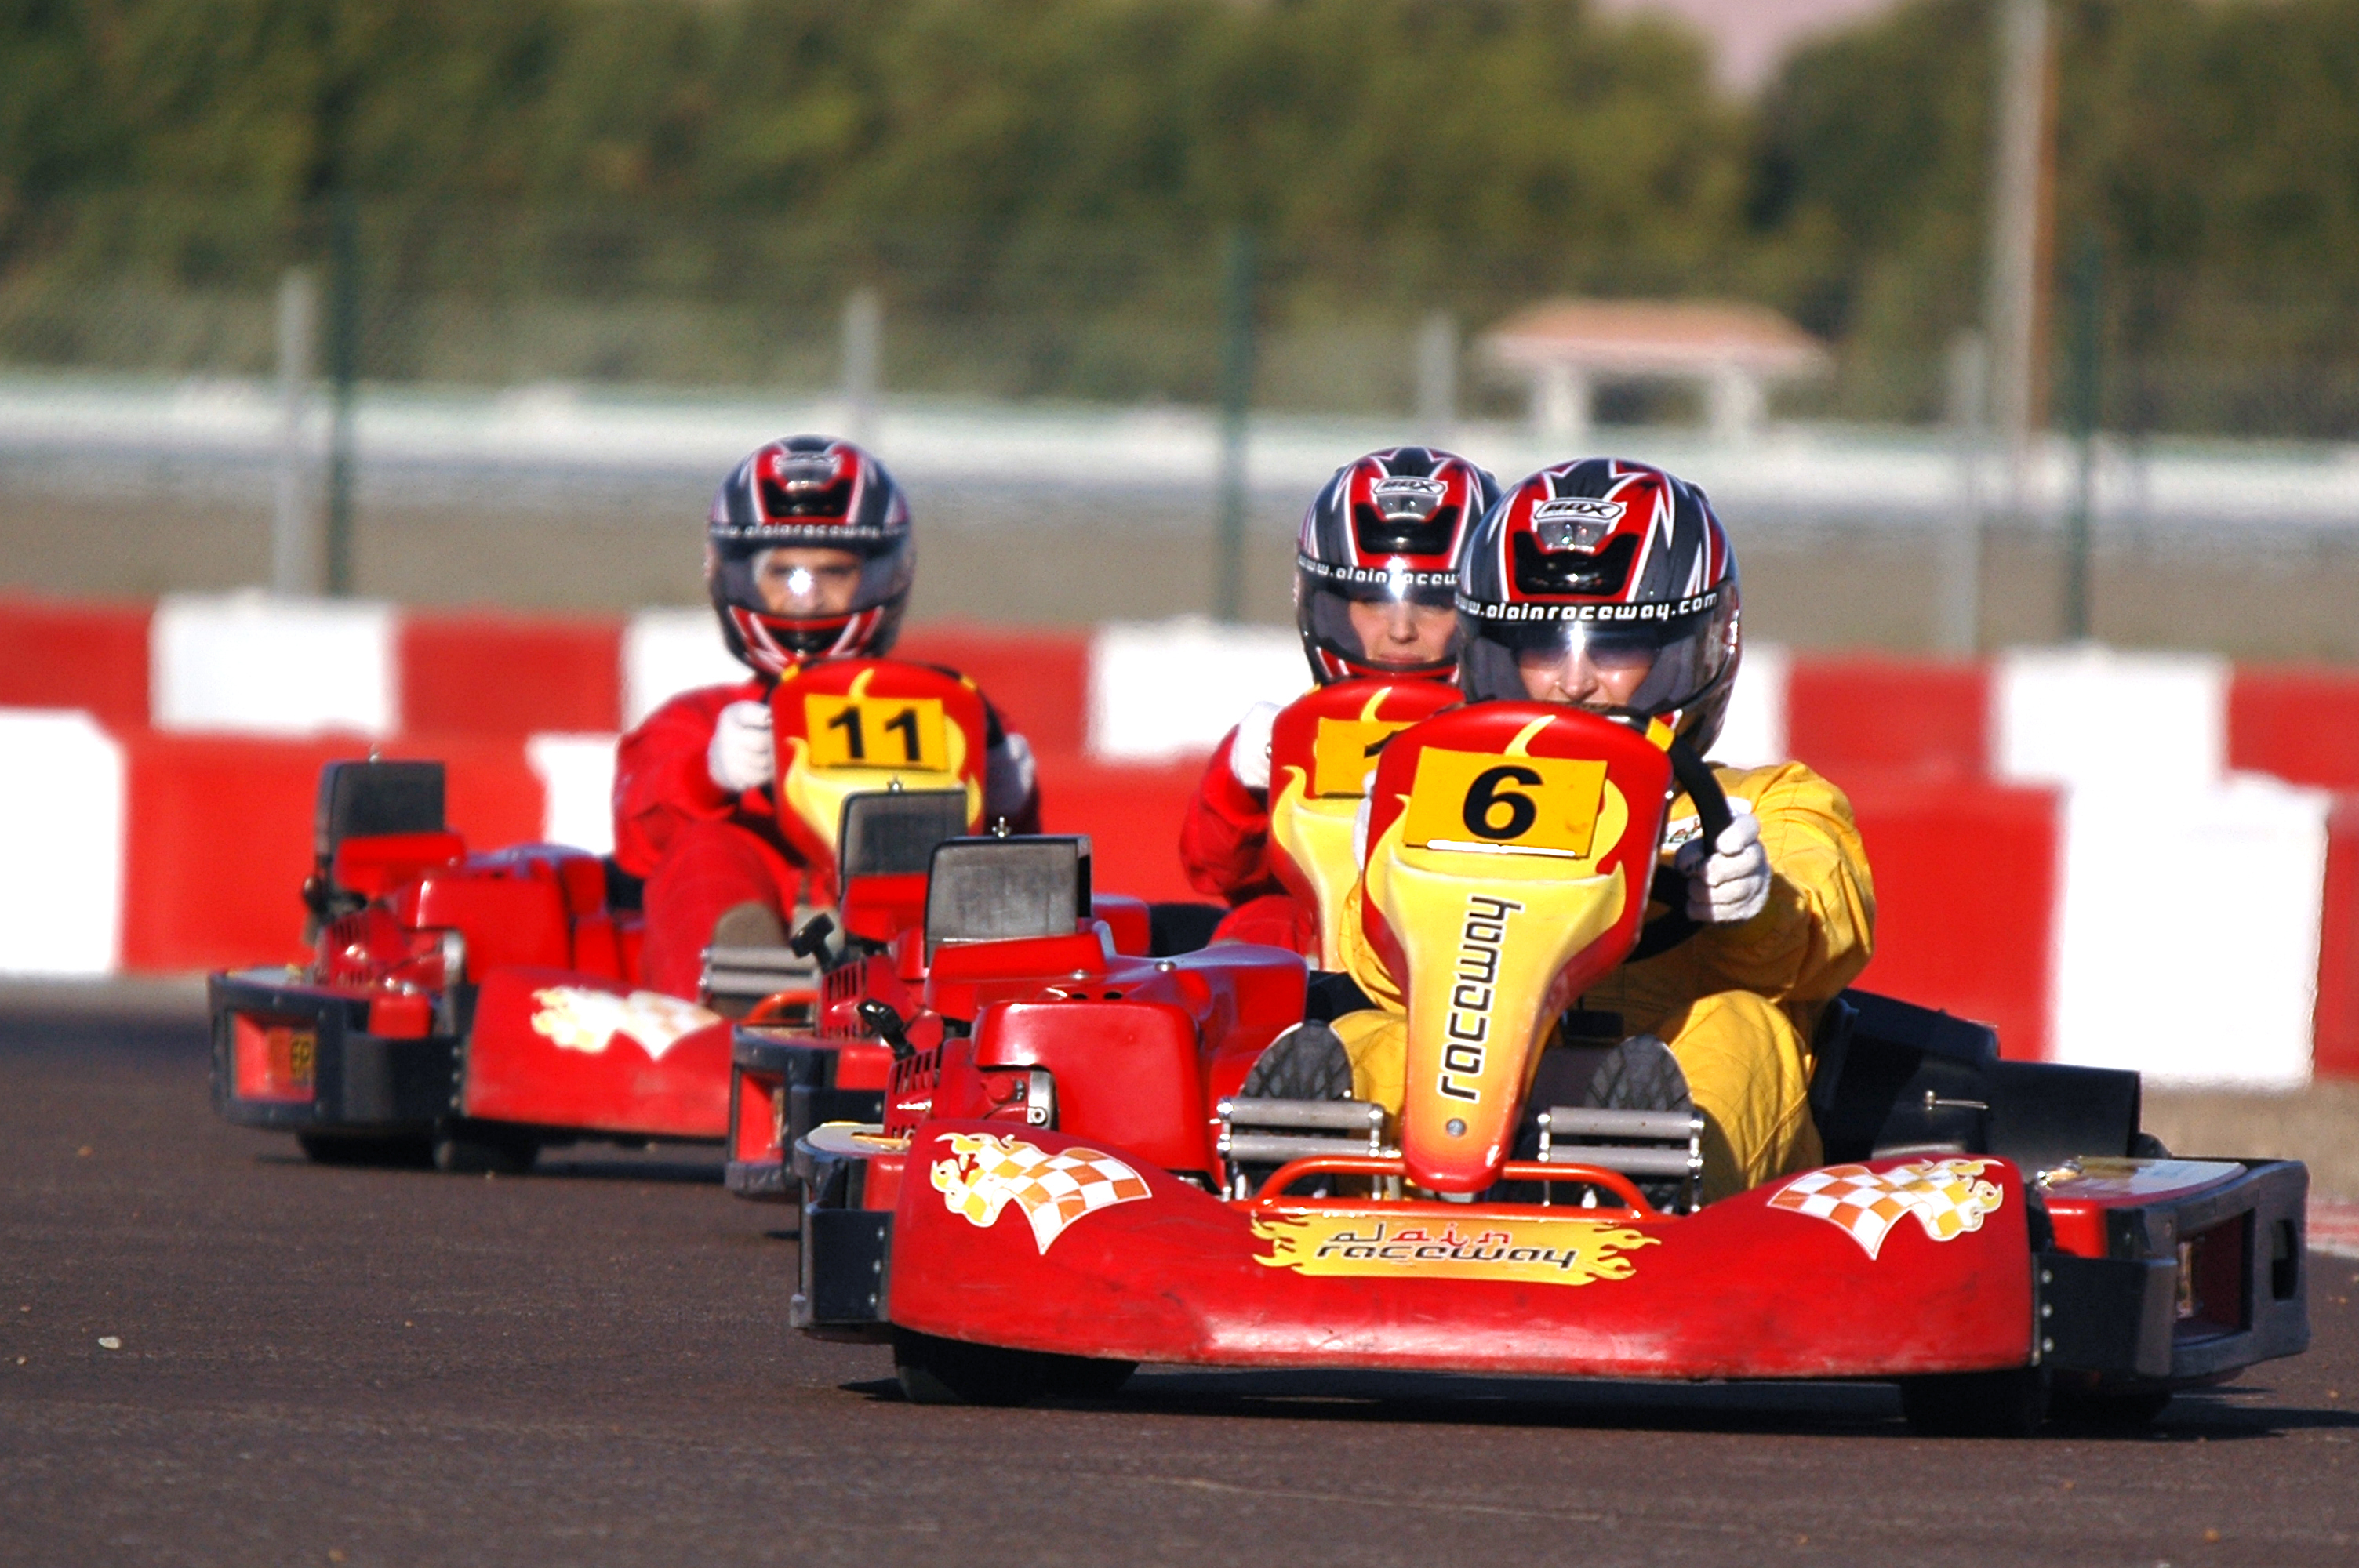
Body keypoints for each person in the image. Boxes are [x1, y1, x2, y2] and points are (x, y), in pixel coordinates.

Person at [1271, 457, 1875, 1204]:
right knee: (1370, 1037)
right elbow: (1380, 980)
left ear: (1699, 648)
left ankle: (1645, 1180)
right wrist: (1386, 881)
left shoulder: (1763, 803)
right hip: (1481, 1087)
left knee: (1745, 1025)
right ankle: (1306, 1187)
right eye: (1543, 648)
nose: (1575, 680)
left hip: (1682, 1126)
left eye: (1615, 649)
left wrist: (1755, 906)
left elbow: (1827, 925)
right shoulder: (1456, 790)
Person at [612, 436, 1039, 1000]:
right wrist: (707, 776)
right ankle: (745, 1005)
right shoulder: (702, 721)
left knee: (997, 865)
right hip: (743, 975)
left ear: (885, 576)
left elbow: (1024, 872)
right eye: (784, 573)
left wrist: (1009, 805)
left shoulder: (952, 710)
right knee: (706, 845)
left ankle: (977, 1021)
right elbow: (638, 841)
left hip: (915, 969)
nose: (808, 599)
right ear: (733, 575)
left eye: (834, 573)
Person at [1179, 447, 1497, 951]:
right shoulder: (1297, 729)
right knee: (1257, 928)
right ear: (1322, 603)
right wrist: (1241, 784)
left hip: (1466, 942)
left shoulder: (1515, 732)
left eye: (1435, 604)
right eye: (1373, 601)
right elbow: (1217, 870)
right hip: (1327, 952)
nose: (1401, 629)